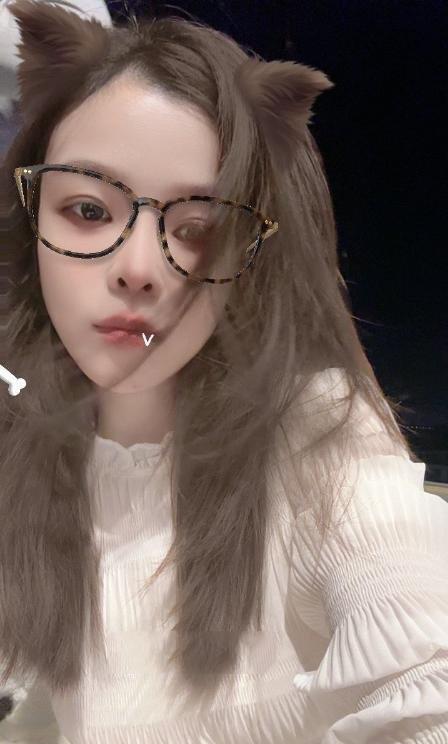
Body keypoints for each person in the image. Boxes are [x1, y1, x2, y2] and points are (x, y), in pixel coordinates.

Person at [0, 1, 447, 742]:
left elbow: (422, 657)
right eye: (88, 210)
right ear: (30, 216)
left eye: (198, 230)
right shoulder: (29, 432)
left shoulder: (314, 430)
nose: (138, 267)